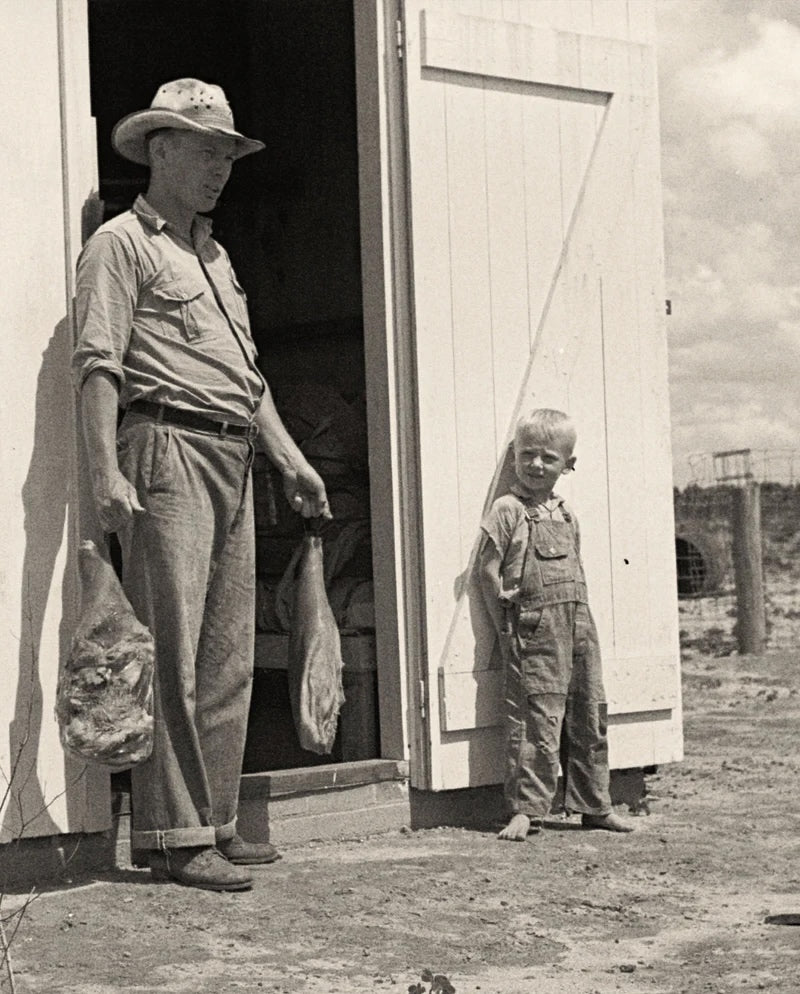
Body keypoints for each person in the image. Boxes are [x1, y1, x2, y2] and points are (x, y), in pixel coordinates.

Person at [72, 79, 331, 891]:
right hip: (166, 451)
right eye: (205, 151)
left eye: (228, 154)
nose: (220, 168)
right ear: (160, 149)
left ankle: (211, 820)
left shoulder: (215, 257)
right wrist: (105, 468)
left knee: (228, 655)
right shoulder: (122, 244)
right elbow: (98, 363)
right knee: (174, 652)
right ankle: (175, 834)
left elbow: (248, 381)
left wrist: (290, 458)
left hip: (233, 456)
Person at [478, 409, 632, 841]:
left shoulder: (566, 514)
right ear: (513, 455)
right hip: (534, 631)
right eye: (528, 455)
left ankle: (595, 805)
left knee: (588, 715)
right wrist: (503, 628)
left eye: (549, 458)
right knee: (536, 723)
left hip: (580, 626)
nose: (536, 465)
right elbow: (486, 571)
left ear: (569, 464)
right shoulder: (507, 510)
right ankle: (527, 810)